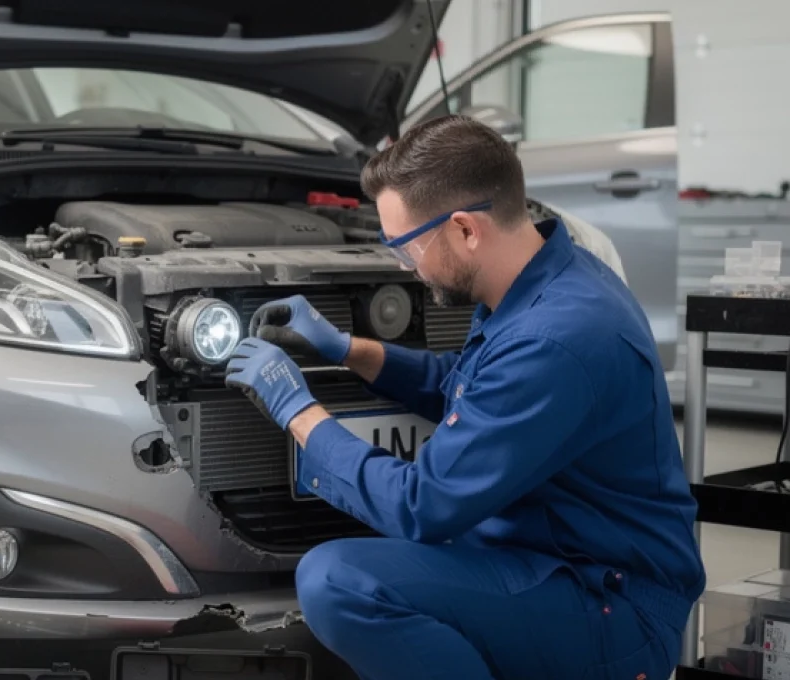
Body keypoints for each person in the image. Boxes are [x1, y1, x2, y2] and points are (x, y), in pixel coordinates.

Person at [223, 114, 705, 680]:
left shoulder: (557, 337)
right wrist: (348, 350)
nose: (407, 266)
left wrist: (297, 411)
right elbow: (470, 385)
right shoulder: (544, 278)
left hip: (609, 606)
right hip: (550, 561)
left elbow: (420, 506)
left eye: (406, 247)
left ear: (466, 229)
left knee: (338, 580)